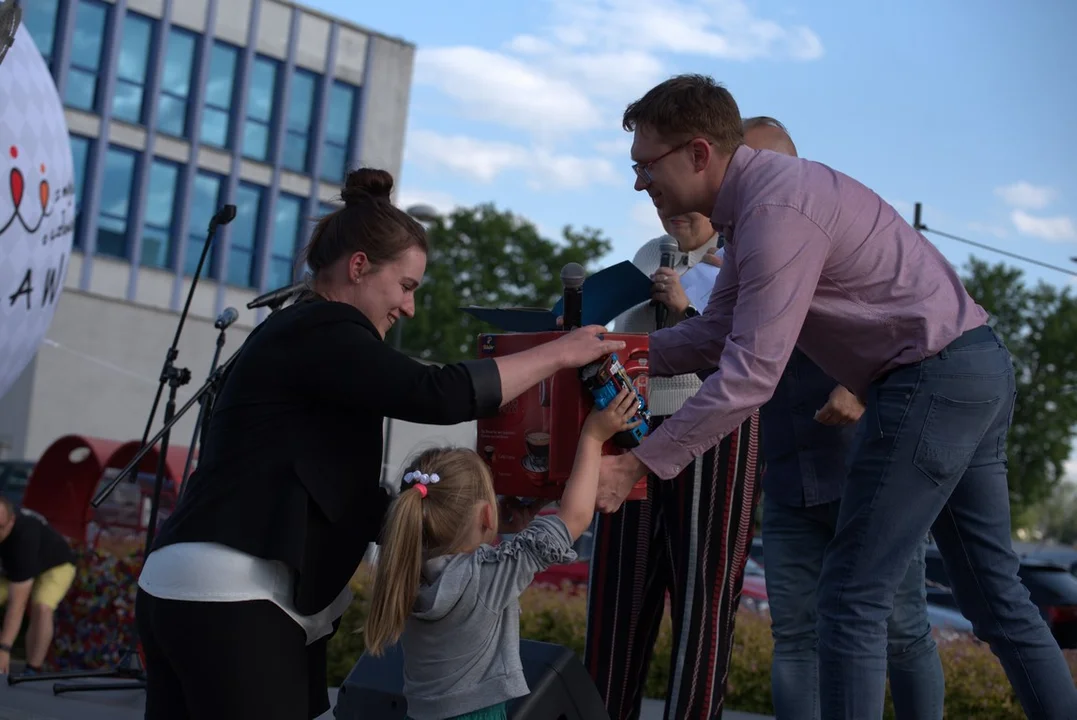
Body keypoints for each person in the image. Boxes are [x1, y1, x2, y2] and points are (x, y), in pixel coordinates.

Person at [596, 74, 1077, 719]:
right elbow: (714, 333)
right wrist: (609, 354)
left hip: (931, 376)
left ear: (699, 152)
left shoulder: (775, 212)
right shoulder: (757, 207)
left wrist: (638, 462)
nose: (639, 183)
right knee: (994, 598)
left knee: (852, 594)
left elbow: (748, 376)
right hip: (972, 365)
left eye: (645, 165)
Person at [134, 168, 626, 720]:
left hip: (208, 591)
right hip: (230, 596)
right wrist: (559, 353)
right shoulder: (322, 330)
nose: (410, 308)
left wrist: (466, 521)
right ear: (359, 266)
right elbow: (437, 394)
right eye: (407, 287)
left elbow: (350, 497)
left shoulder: (313, 344)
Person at [743, 116, 945, 720]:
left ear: (790, 167)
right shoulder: (742, 248)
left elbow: (924, 324)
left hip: (870, 477)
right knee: (797, 640)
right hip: (786, 481)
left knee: (902, 630)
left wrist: (860, 384)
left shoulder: (842, 229)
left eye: (749, 164)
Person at [364, 390, 641, 720]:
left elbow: (455, 551)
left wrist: (495, 527)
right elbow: (576, 518)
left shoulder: (406, 566)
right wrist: (594, 436)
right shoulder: (485, 578)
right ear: (485, 515)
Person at [583, 209, 760, 720]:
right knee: (619, 594)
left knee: (700, 599)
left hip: (709, 426)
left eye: (688, 207)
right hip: (636, 417)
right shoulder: (647, 254)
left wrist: (685, 308)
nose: (673, 214)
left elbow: (746, 360)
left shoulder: (742, 260)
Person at [0, 498, 76, 674]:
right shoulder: (7, 531)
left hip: (55, 565)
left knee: (42, 605)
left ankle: (33, 667)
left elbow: (17, 604)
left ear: (11, 521)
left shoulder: (24, 538)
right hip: (9, 568)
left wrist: (4, 648)